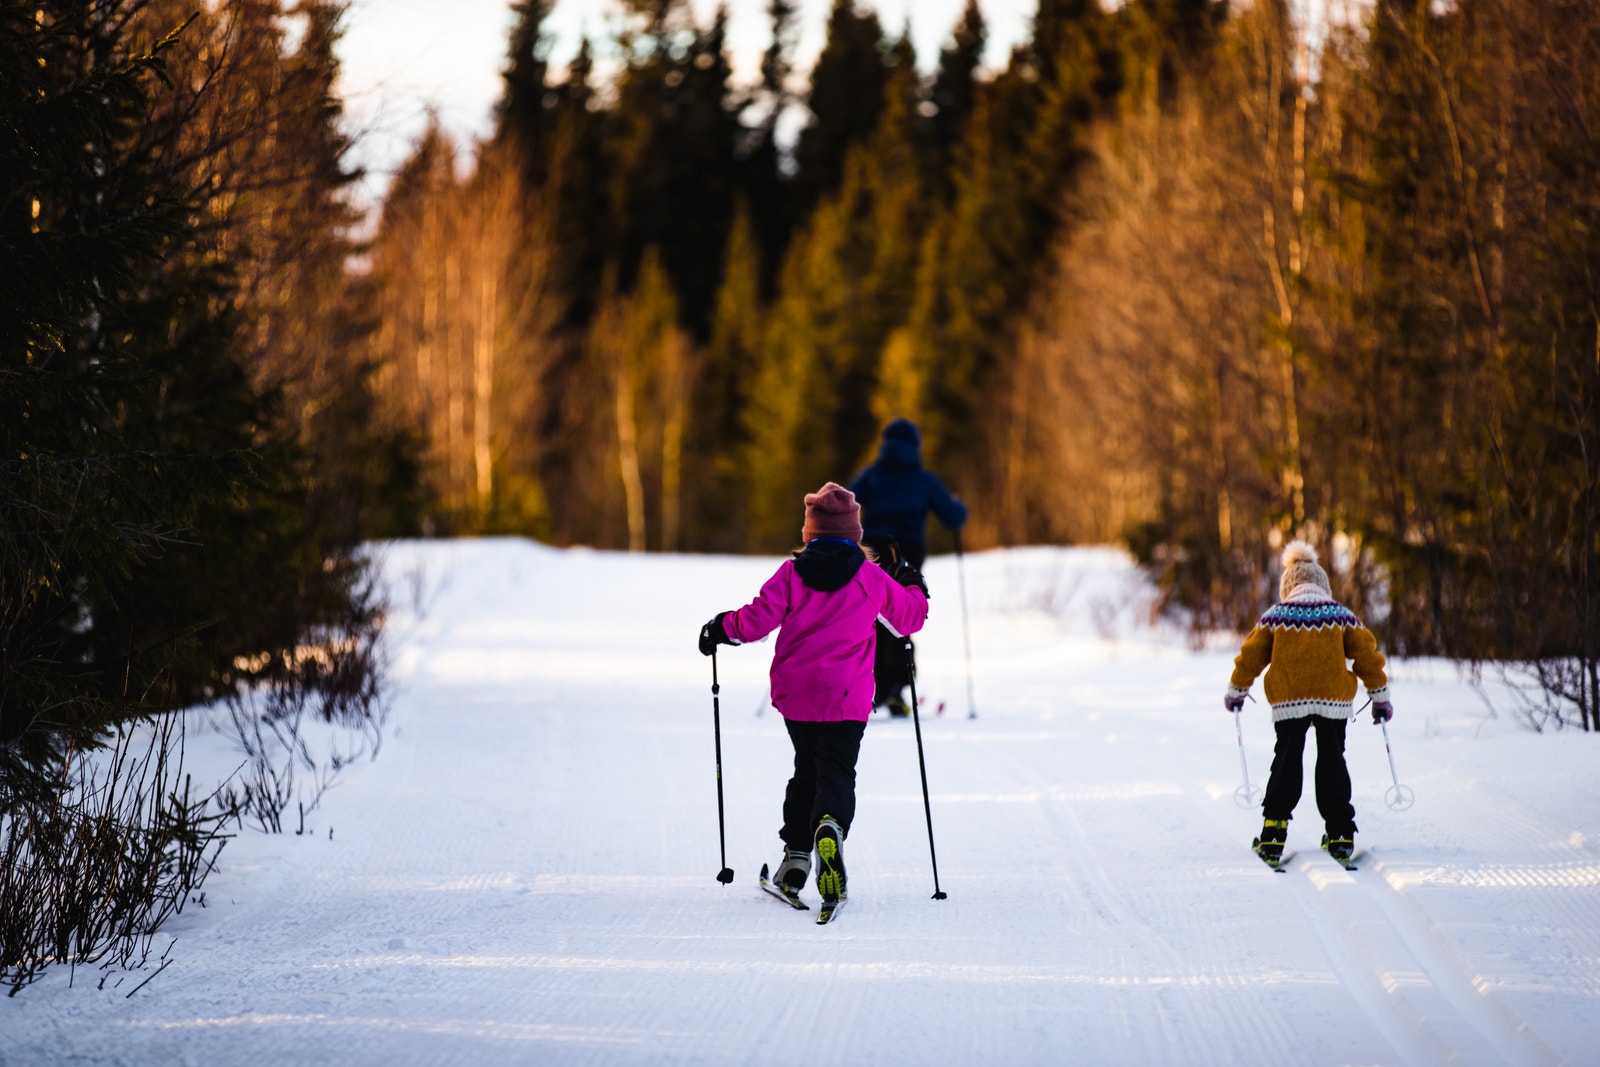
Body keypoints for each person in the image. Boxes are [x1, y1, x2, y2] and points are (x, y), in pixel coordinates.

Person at [698, 482, 929, 911]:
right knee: (836, 772)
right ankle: (831, 827)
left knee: (806, 770)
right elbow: (909, 620)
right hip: (847, 698)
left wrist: (717, 628)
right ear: (854, 534)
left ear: (810, 533)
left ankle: (796, 862)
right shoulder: (869, 577)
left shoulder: (791, 575)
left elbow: (752, 623)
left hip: (798, 695)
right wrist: (914, 584)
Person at [1225, 541, 1394, 868]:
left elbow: (1250, 657)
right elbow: (1367, 657)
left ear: (1287, 586)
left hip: (1289, 698)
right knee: (1332, 758)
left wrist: (1237, 690)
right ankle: (1341, 832)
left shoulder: (1276, 616)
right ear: (1323, 585)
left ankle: (1273, 832)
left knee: (1287, 759)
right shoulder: (1341, 615)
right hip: (1334, 699)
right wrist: (1380, 698)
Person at [848, 419, 967, 716]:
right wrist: (957, 504)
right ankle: (897, 688)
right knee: (901, 616)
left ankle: (875, 687)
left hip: (873, 555)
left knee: (872, 617)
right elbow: (954, 518)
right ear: (915, 446)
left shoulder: (871, 476)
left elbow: (845, 505)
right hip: (907, 556)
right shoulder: (924, 481)